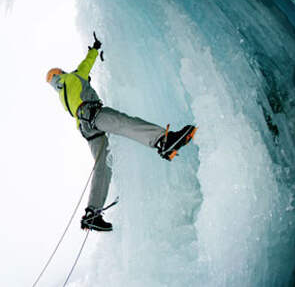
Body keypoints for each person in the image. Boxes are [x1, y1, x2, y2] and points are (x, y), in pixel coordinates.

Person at [46, 33, 197, 232]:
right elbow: (86, 63)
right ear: (59, 73)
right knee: (123, 123)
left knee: (102, 167)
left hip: (86, 128)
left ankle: (93, 212)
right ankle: (163, 140)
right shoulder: (73, 76)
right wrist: (95, 48)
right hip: (93, 114)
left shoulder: (61, 96)